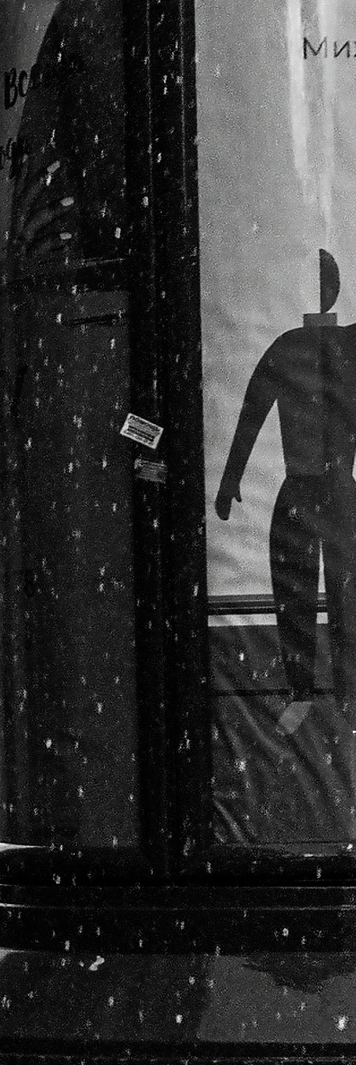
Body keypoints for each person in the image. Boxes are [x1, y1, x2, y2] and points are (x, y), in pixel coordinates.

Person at [215, 249, 356, 735]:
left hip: (327, 490)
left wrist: (231, 479)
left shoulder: (318, 346)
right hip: (311, 490)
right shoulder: (291, 347)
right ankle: (309, 691)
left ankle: (340, 692)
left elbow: (252, 413)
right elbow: (252, 413)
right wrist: (231, 479)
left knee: (337, 594)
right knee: (305, 592)